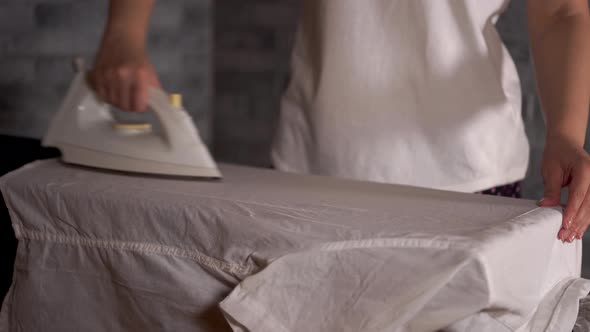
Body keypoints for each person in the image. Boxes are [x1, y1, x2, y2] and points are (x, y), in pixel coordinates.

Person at [90, 0, 590, 243]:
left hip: (470, 177)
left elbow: (563, 10)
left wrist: (566, 132)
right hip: (317, 166)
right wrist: (124, 33)